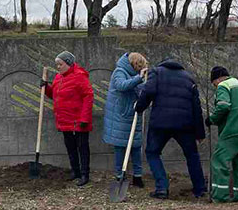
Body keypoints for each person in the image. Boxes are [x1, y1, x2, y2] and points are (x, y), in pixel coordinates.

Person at [134, 57, 206, 200]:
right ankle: (200, 188)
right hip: (184, 124)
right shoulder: (189, 78)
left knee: (152, 152)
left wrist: (139, 107)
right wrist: (200, 132)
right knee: (192, 155)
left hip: (161, 122)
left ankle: (162, 188)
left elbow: (148, 92)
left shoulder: (157, 72)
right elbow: (196, 107)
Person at [205, 66, 238, 203]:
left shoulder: (223, 85)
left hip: (234, 128)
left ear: (216, 79)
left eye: (214, 84)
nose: (215, 86)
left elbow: (223, 105)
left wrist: (212, 119)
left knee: (219, 159)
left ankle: (220, 197)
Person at [42, 51, 94, 186]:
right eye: (57, 65)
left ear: (69, 63)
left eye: (60, 64)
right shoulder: (59, 78)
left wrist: (84, 119)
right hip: (65, 120)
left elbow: (88, 96)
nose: (58, 67)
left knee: (82, 147)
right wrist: (46, 87)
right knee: (70, 146)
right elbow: (54, 95)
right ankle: (75, 171)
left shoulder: (79, 76)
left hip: (79, 120)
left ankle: (84, 174)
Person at [103, 51, 148, 187]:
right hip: (120, 116)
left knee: (136, 146)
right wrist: (139, 79)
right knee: (120, 147)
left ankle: (137, 176)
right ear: (135, 64)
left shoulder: (136, 75)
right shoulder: (120, 71)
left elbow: (140, 90)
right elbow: (121, 86)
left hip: (133, 114)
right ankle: (119, 175)